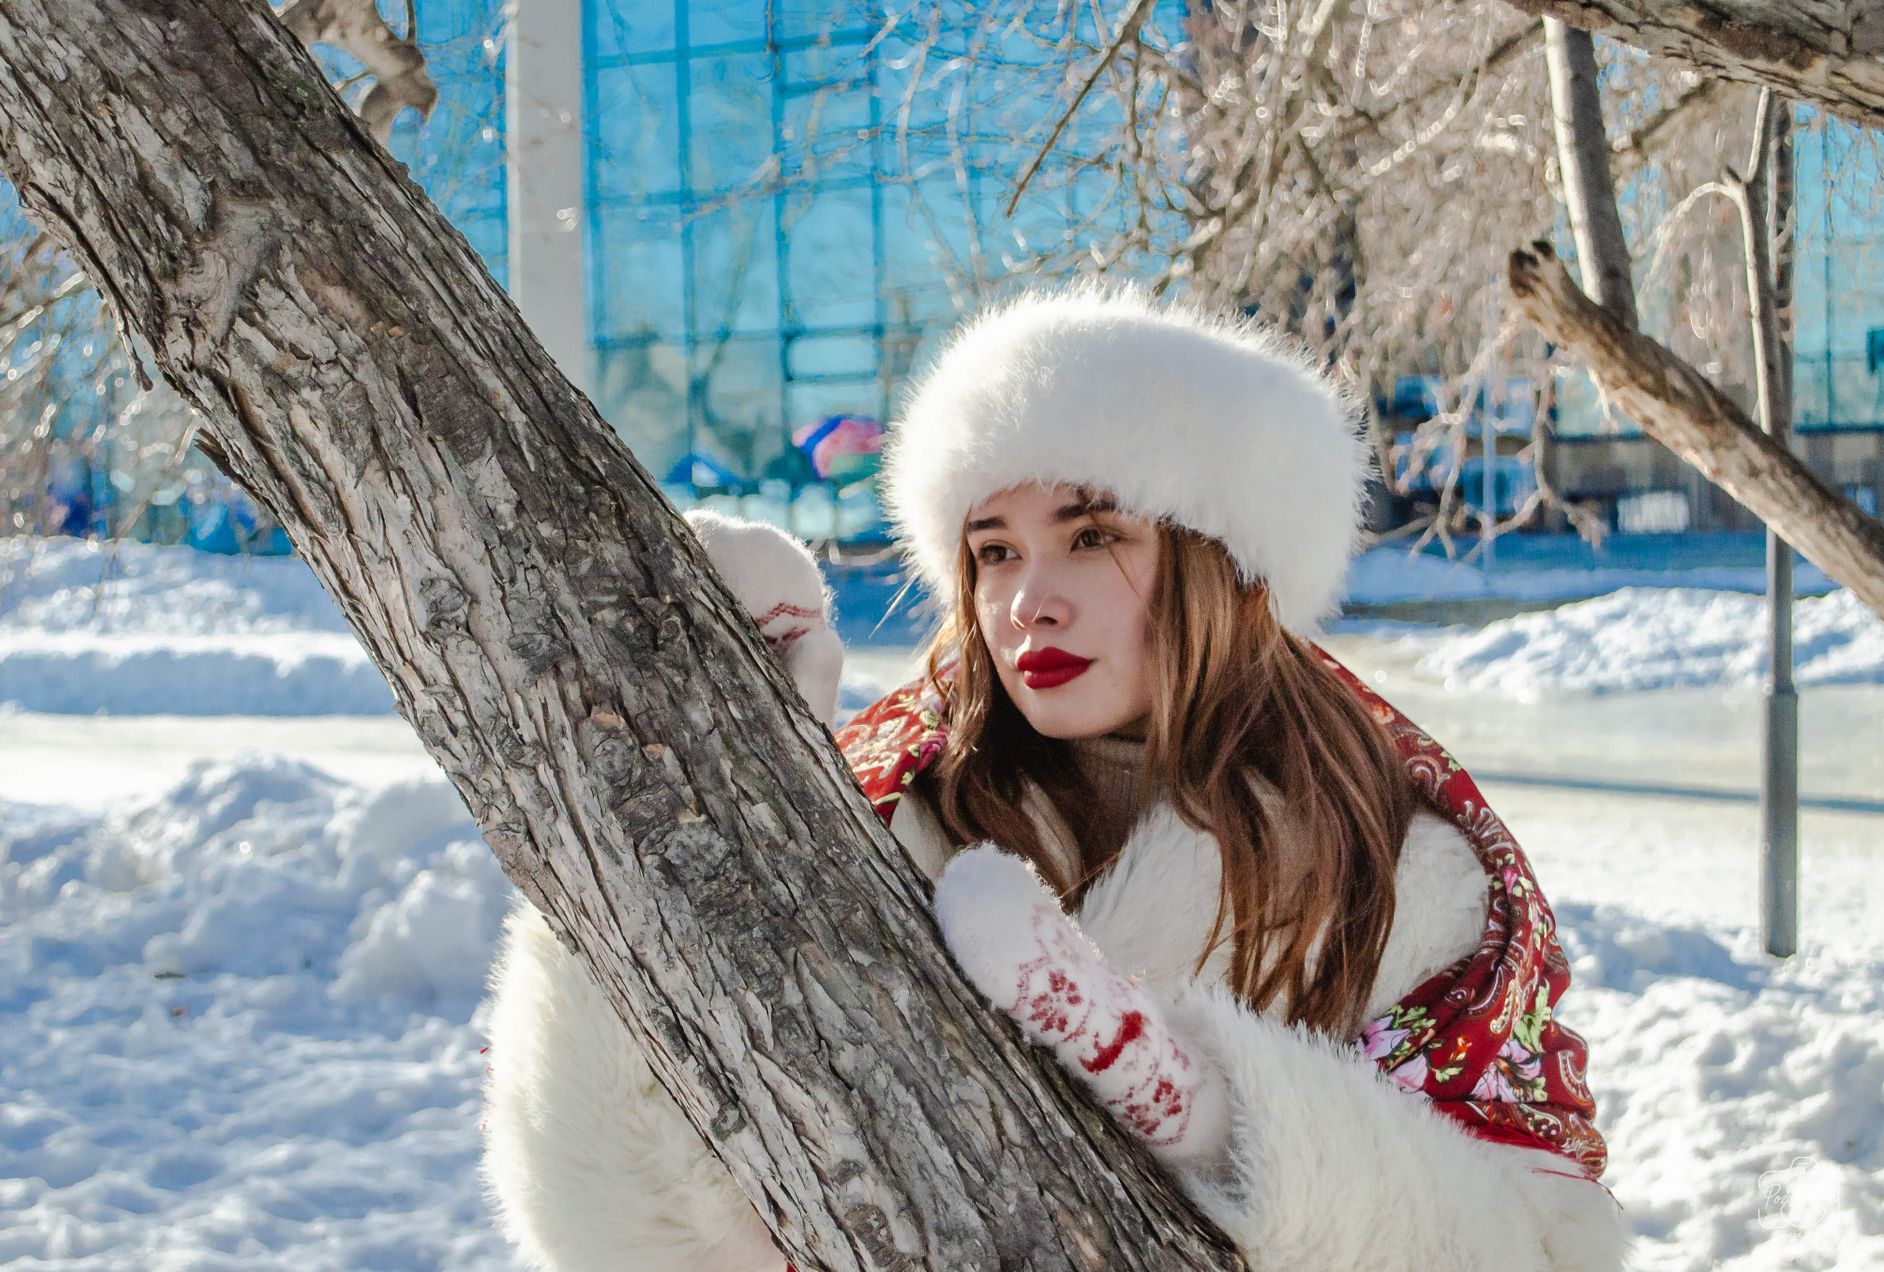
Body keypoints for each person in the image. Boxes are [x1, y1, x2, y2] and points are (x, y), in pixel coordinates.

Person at [479, 283, 1628, 1272]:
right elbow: (632, 1221)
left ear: (1224, 565)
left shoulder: (1402, 875)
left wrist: (1220, 1120)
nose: (1028, 600)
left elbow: (1534, 1242)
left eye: (1092, 536)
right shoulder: (891, 812)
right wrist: (721, 774)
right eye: (994, 552)